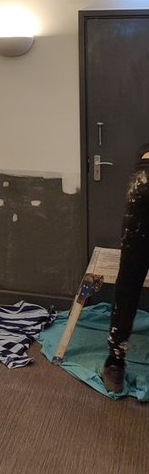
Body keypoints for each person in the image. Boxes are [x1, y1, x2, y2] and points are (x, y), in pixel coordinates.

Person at [101, 144, 149, 392]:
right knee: (129, 279)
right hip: (146, 177)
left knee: (129, 280)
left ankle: (115, 360)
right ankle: (115, 360)